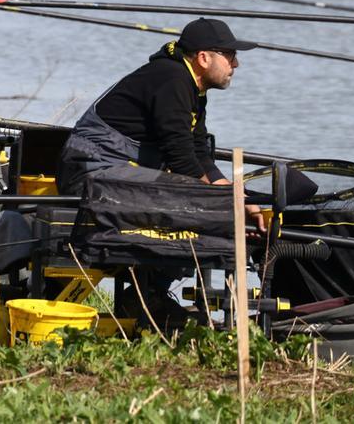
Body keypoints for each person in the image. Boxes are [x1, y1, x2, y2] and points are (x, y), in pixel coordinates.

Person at [56, 17, 264, 327]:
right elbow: (182, 161)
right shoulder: (172, 79)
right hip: (92, 176)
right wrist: (225, 205)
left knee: (207, 204)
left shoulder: (191, 86)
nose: (236, 64)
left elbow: (198, 154)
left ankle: (149, 293)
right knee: (196, 204)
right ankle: (148, 294)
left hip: (119, 176)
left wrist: (240, 198)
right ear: (204, 58)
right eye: (230, 55)